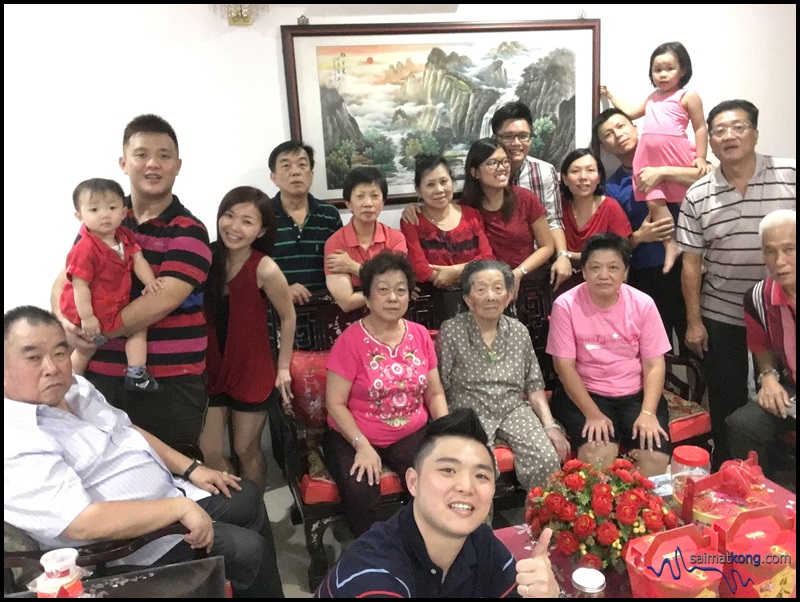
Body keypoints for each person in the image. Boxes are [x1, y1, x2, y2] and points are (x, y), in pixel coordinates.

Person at [3, 306, 284, 598]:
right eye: (33, 357)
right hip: (126, 547)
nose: (52, 367)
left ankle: (241, 585)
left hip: (168, 495)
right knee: (248, 549)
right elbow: (80, 523)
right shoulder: (16, 439)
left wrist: (192, 469)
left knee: (247, 495)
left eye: (60, 353)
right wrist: (180, 509)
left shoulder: (75, 389)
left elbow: (127, 430)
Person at [51, 114, 212, 448]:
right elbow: (67, 278)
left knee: (176, 481)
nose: (152, 163)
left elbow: (159, 302)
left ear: (178, 165)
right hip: (101, 379)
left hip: (168, 385)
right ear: (124, 162)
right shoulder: (99, 221)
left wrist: (95, 331)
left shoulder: (189, 231)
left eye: (164, 155)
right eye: (141, 154)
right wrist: (64, 323)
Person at [315, 408, 561, 598]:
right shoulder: (375, 574)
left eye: (481, 476)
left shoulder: (480, 542)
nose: (466, 486)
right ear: (413, 482)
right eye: (448, 470)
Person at [676, 99, 796, 468]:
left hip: (783, 310)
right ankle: (729, 471)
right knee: (727, 400)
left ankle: (774, 472)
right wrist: (694, 321)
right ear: (709, 140)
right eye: (719, 131)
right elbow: (691, 264)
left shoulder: (790, 172)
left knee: (778, 389)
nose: (729, 136)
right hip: (723, 311)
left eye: (738, 127)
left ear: (755, 133)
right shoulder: (698, 194)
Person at [322, 251, 448, 537]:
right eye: (383, 290)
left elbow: (435, 393)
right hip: (353, 433)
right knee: (361, 488)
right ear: (366, 297)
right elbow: (335, 403)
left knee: (433, 479)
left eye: (400, 290)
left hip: (411, 430)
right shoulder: (350, 342)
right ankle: (372, 555)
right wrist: (362, 445)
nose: (393, 298)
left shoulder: (419, 335)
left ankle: (425, 545)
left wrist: (445, 431)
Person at [546, 233, 673, 477]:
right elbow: (564, 367)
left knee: (653, 457)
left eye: (613, 267)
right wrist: (592, 414)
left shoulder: (643, 304)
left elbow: (654, 364)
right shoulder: (566, 305)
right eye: (595, 267)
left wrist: (647, 413)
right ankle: (601, 513)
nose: (604, 275)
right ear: (583, 272)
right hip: (585, 393)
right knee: (598, 457)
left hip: (635, 394)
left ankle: (641, 513)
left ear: (625, 272)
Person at [437, 260, 569, 491]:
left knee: (546, 458)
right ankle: (477, 527)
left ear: (509, 295)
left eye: (498, 289)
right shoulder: (451, 331)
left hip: (513, 409)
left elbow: (534, 385)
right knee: (476, 468)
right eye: (481, 289)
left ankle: (543, 523)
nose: (491, 296)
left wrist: (549, 425)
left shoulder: (519, 331)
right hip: (469, 411)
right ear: (468, 298)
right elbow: (439, 385)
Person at [199, 186, 296, 493]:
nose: (234, 227)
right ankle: (235, 511)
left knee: (246, 449)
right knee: (211, 452)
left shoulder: (265, 267)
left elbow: (288, 316)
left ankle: (255, 515)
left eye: (246, 221)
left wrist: (283, 368)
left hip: (251, 371)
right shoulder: (205, 258)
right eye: (229, 216)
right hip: (209, 368)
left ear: (261, 230)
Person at [593, 108, 705, 353]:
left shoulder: (672, 158)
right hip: (647, 277)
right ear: (605, 147)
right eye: (609, 134)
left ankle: (702, 393)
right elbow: (613, 245)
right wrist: (639, 237)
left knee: (701, 349)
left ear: (635, 128)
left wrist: (663, 172)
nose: (618, 135)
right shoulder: (612, 187)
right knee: (654, 352)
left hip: (692, 267)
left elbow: (712, 177)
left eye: (621, 126)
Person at [601, 41, 713, 274]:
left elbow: (700, 127)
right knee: (653, 199)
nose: (662, 74)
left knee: (689, 204)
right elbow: (630, 112)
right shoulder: (652, 98)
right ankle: (670, 244)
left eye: (669, 68)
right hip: (649, 158)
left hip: (676, 155)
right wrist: (610, 94)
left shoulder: (687, 96)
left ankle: (698, 255)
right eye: (657, 69)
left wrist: (701, 157)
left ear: (682, 70)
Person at [59, 178, 163, 391]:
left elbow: (139, 260)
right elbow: (80, 286)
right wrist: (87, 317)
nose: (104, 214)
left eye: (112, 208)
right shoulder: (85, 248)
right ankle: (70, 385)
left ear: (124, 212)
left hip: (112, 304)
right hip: (89, 311)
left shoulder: (124, 236)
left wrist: (151, 283)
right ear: (79, 216)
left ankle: (134, 375)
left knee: (97, 344)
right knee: (87, 347)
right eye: (94, 209)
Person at [726, 210, 796, 479]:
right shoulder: (758, 297)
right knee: (742, 425)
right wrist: (768, 377)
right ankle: (762, 500)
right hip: (790, 387)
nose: (780, 262)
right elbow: (761, 345)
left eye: (789, 249)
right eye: (770, 252)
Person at [489, 100, 573, 291]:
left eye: (523, 136)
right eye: (508, 136)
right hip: (493, 270)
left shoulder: (544, 172)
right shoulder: (485, 171)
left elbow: (553, 220)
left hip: (537, 266)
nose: (516, 143)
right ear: (495, 138)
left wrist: (562, 255)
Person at [400, 154, 494, 322]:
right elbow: (419, 268)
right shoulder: (412, 220)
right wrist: (466, 270)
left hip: (477, 300)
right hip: (432, 306)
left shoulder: (471, 215)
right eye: (430, 184)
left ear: (453, 182)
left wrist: (454, 272)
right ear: (418, 190)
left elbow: (488, 258)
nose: (439, 189)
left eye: (444, 181)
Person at [268, 140, 343, 306]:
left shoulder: (329, 215)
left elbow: (339, 264)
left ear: (312, 175)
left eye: (302, 165)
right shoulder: (262, 216)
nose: (295, 172)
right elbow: (252, 268)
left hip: (324, 308)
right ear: (274, 178)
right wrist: (282, 288)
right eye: (286, 166)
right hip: (278, 309)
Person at [324, 166, 407, 312]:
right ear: (348, 204)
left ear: (383, 202)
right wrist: (386, 288)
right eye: (360, 196)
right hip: (350, 322)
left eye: (375, 196)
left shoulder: (396, 238)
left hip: (392, 317)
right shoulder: (335, 243)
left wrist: (354, 267)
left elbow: (401, 286)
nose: (368, 203)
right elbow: (346, 302)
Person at [557, 148, 632, 294]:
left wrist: (567, 255)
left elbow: (621, 253)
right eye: (575, 171)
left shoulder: (611, 207)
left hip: (602, 285)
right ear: (565, 179)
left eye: (590, 170)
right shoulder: (558, 207)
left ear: (598, 177)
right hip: (562, 286)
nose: (583, 177)